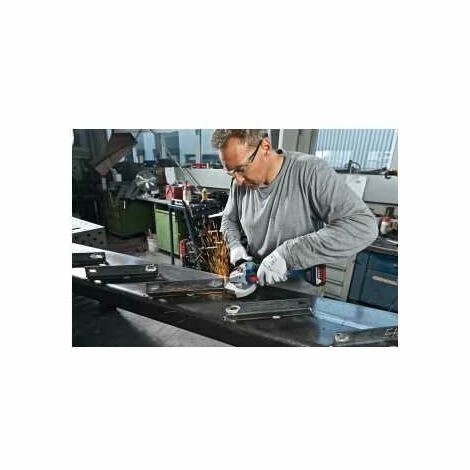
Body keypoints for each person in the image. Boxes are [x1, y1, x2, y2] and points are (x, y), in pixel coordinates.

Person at [211, 129, 378, 292]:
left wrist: (288, 255)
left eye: (241, 169)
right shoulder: (240, 184)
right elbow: (229, 219)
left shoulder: (311, 171)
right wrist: (235, 245)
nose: (238, 180)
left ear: (265, 147)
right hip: (257, 286)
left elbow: (363, 226)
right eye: (231, 172)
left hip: (300, 293)